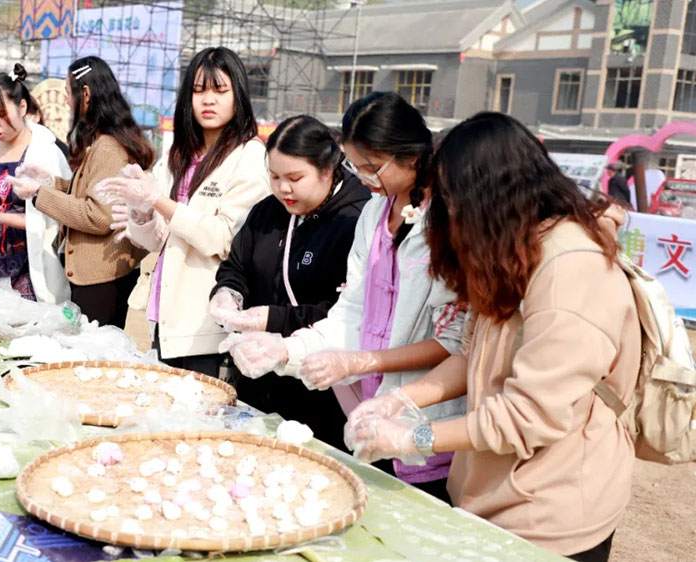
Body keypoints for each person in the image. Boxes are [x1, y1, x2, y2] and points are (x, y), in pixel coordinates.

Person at [344, 112, 640, 561]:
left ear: (491, 195)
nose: (446, 214)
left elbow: (529, 415)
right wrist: (401, 402)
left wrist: (413, 438)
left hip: (551, 515)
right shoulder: (513, 249)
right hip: (490, 494)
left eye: (451, 200)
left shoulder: (570, 270)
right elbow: (472, 354)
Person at [220, 92, 465, 503]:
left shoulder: (445, 220)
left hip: (427, 416)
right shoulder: (373, 214)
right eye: (357, 164)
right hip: (371, 407)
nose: (365, 177)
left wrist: (361, 361)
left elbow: (453, 343)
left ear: (410, 155)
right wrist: (288, 350)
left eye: (373, 166)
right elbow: (351, 312)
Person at [102, 47, 270, 376]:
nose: (208, 100)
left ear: (239, 96)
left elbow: (223, 238)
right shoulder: (180, 153)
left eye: (220, 90)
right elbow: (154, 241)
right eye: (198, 91)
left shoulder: (249, 156)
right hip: (162, 314)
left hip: (206, 323)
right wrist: (140, 212)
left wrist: (158, 201)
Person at [208, 115, 367, 448]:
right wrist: (228, 292)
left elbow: (345, 314)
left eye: (295, 178)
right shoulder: (267, 212)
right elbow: (236, 264)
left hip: (320, 389)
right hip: (256, 378)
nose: (283, 188)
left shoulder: (356, 221)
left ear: (328, 169)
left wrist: (270, 319)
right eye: (275, 176)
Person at [10, 56, 154, 328]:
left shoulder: (108, 148)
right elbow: (88, 194)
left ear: (85, 94)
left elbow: (99, 215)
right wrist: (52, 183)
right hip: (96, 274)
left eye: (68, 92)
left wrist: (40, 194)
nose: (67, 100)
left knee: (95, 353)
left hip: (100, 278)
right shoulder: (103, 142)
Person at [0, 65, 71, 303]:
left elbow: (53, 219)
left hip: (35, 262)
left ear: (23, 107)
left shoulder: (46, 153)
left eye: (2, 115)